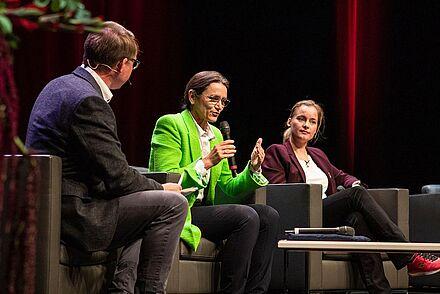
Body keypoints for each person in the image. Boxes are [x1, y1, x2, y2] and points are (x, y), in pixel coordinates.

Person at [25, 21, 188, 294]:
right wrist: (160, 187)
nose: (132, 69)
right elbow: (118, 175)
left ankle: (121, 289)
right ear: (122, 64)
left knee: (144, 207)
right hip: (75, 214)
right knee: (172, 204)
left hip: (51, 206)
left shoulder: (59, 85)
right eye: (134, 64)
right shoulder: (88, 101)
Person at [262, 99, 440, 294]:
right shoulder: (278, 152)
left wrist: (353, 183)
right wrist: (355, 190)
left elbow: (340, 175)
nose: (306, 125)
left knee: (357, 218)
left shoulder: (317, 155)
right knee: (356, 195)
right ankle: (408, 257)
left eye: (312, 122)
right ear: (290, 121)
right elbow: (278, 192)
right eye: (301, 119)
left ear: (316, 129)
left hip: (326, 216)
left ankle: (381, 291)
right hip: (303, 215)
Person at [148, 71, 279, 293]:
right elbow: (166, 178)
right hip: (181, 209)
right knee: (245, 216)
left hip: (205, 209)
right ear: (192, 97)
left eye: (223, 101)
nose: (219, 106)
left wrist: (253, 168)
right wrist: (206, 162)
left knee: (268, 215)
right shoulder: (171, 124)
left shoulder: (217, 134)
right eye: (213, 99)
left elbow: (227, 190)